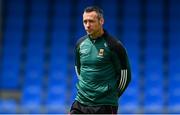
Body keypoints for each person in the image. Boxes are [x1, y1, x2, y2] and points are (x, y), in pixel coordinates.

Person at [70, 6, 131, 114]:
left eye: (91, 21)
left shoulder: (114, 46)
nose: (87, 25)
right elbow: (78, 70)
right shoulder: (80, 44)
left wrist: (112, 95)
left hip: (104, 105)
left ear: (101, 21)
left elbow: (125, 76)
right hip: (80, 102)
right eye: (85, 21)